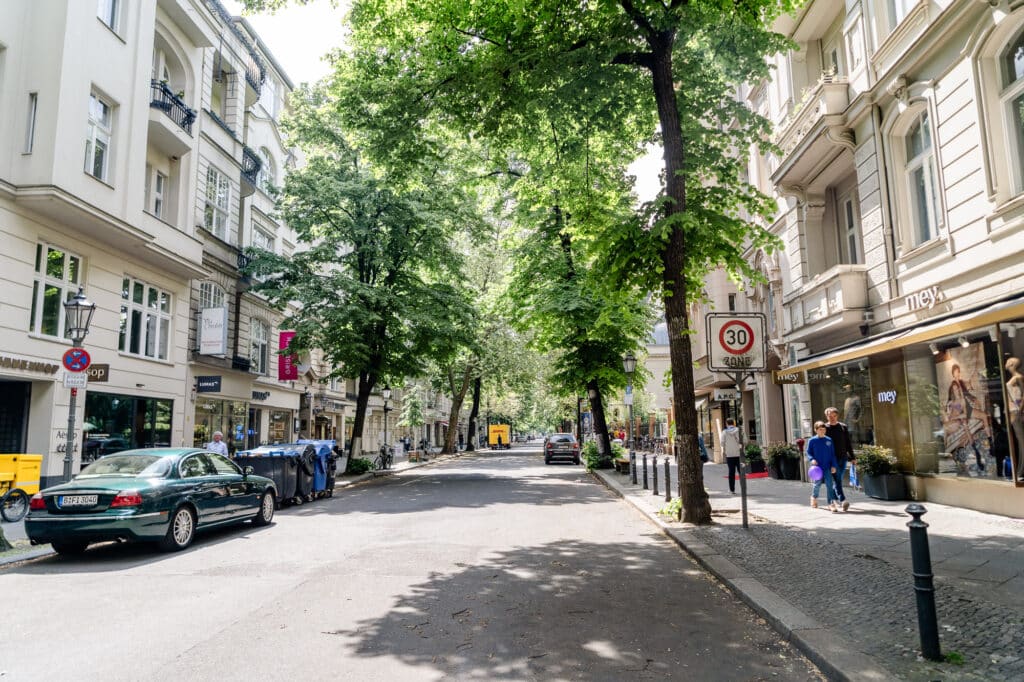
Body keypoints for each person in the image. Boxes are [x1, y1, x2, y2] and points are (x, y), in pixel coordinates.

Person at [824, 407, 855, 511]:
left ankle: (834, 499)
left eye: (834, 416)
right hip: (831, 459)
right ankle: (843, 500)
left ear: (837, 416)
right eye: (830, 416)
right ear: (827, 416)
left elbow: (848, 443)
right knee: (837, 479)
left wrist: (852, 457)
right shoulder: (824, 428)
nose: (832, 418)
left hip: (843, 457)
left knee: (838, 479)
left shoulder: (843, 427)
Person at [806, 421, 840, 511]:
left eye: (824, 429)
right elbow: (809, 453)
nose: (822, 431)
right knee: (817, 484)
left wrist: (833, 466)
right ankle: (814, 498)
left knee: (829, 484)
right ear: (815, 430)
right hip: (817, 468)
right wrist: (812, 459)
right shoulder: (812, 440)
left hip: (827, 467)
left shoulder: (829, 440)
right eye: (820, 429)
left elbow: (833, 454)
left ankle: (831, 503)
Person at [1007, 357, 1024, 480]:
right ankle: (1020, 470)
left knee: (1022, 442)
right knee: (1019, 442)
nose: (1006, 362)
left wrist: (1020, 411)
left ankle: (1021, 471)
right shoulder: (1014, 378)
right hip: (1013, 413)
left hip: (1017, 413)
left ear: (1012, 363)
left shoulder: (1018, 377)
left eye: (1008, 361)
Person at [720, 418, 743, 493]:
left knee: (731, 472)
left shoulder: (724, 432)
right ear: (733, 423)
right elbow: (745, 441)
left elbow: (722, 443)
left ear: (727, 423)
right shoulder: (739, 430)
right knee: (741, 472)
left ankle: (732, 490)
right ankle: (743, 489)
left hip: (729, 455)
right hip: (739, 454)